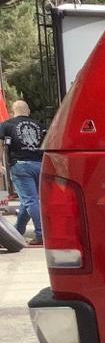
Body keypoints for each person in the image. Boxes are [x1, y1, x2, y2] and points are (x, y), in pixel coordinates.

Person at [2, 101, 46, 245]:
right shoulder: (39, 126)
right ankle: (18, 231)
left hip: (21, 166)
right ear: (28, 111)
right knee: (26, 201)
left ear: (13, 110)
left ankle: (41, 235)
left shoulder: (7, 125)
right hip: (40, 165)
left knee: (30, 201)